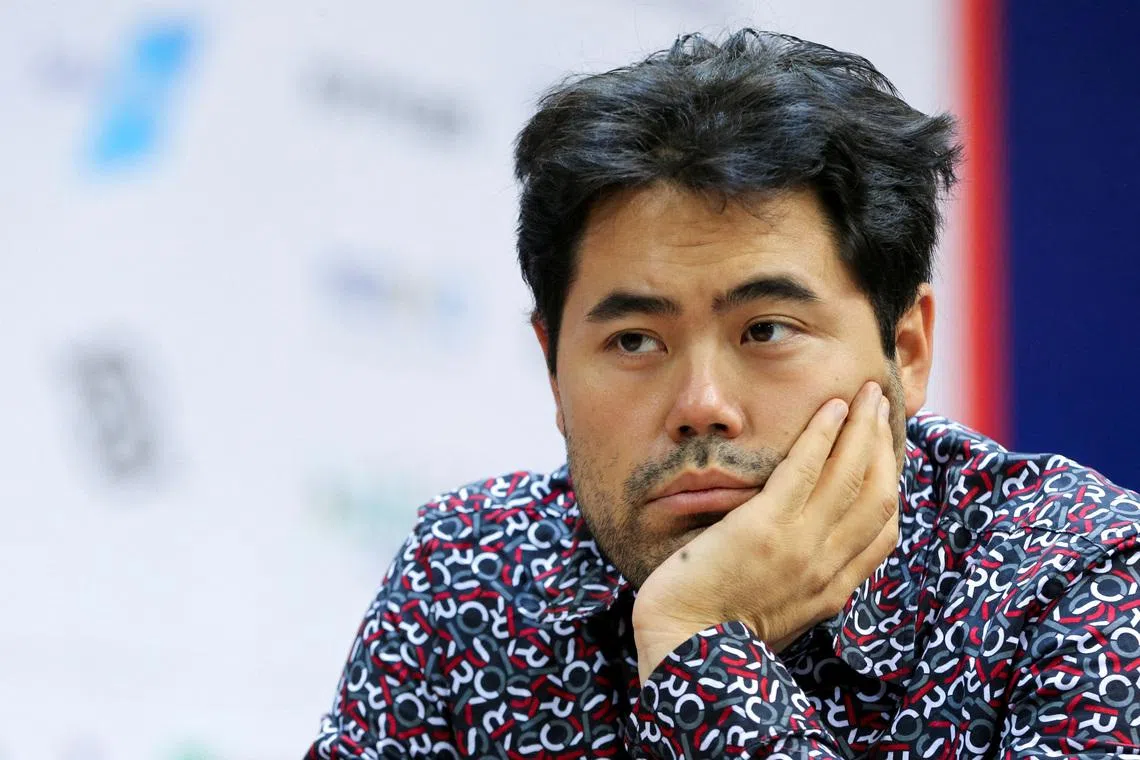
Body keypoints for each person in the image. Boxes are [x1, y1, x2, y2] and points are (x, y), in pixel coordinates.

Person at [304, 29, 1140, 759]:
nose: (702, 405)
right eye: (636, 341)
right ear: (553, 368)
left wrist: (696, 644)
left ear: (908, 350)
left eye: (766, 330)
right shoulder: (470, 579)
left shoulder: (1076, 583)